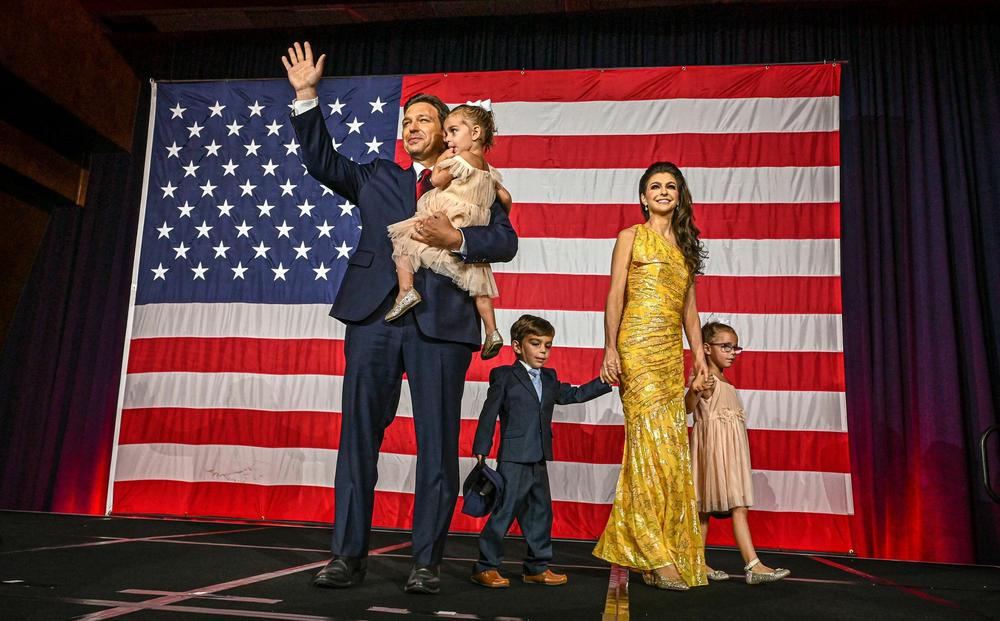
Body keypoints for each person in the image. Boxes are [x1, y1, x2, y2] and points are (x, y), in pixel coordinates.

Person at [282, 42, 518, 595]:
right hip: (374, 319)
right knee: (358, 438)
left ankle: (425, 564)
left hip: (443, 324)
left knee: (436, 446)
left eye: (425, 120)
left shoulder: (474, 177)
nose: (412, 127)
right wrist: (306, 96)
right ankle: (346, 557)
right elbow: (322, 162)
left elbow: (505, 241)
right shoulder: (379, 177)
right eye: (406, 120)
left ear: (448, 132)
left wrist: (459, 237)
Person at [592, 162, 711, 591]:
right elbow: (615, 294)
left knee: (671, 450)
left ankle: (670, 548)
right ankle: (654, 554)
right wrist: (609, 347)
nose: (663, 192)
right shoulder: (630, 237)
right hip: (637, 349)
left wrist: (699, 357)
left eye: (670, 187)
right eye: (655, 187)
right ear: (643, 197)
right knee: (647, 445)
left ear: (679, 196)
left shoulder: (685, 244)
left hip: (668, 354)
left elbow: (690, 310)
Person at [469, 315, 612, 588]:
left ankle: (536, 567)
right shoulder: (504, 376)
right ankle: (485, 567)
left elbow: (575, 394)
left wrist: (604, 380)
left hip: (539, 456)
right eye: (536, 344)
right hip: (513, 457)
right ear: (517, 346)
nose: (543, 351)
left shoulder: (549, 378)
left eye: (547, 345)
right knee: (504, 511)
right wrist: (481, 448)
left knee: (540, 512)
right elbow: (489, 414)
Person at [385, 103, 511, 360]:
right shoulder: (490, 171)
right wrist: (486, 212)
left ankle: (406, 290)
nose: (448, 139)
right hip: (473, 219)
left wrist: (442, 163)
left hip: (446, 214)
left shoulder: (459, 160)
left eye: (452, 131)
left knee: (404, 240)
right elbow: (505, 197)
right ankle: (492, 331)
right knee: (481, 286)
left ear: (475, 133)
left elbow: (437, 181)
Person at [686, 321, 791, 585]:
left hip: (729, 448)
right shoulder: (706, 377)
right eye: (726, 347)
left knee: (705, 510)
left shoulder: (722, 378)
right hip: (714, 449)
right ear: (707, 348)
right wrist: (695, 389)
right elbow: (687, 408)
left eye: (735, 347)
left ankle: (697, 563)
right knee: (736, 506)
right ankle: (753, 564)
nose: (732, 352)